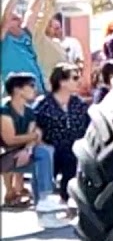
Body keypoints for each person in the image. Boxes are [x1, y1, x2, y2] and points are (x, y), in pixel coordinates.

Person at [1, 72, 69, 228]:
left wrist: (28, 150)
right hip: (5, 155)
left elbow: (34, 138)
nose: (35, 89)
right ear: (18, 90)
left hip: (18, 154)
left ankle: (44, 210)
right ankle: (44, 201)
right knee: (43, 155)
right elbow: (9, 139)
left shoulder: (29, 111)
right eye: (31, 86)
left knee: (43, 154)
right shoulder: (4, 111)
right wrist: (33, 136)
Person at [33, 63, 90, 205]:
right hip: (51, 147)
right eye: (75, 78)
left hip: (74, 148)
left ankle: (68, 199)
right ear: (62, 81)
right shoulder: (43, 104)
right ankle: (44, 200)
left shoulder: (79, 104)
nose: (79, 81)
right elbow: (34, 126)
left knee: (73, 157)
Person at [2, 0, 49, 95]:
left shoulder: (25, 35)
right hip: (16, 97)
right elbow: (5, 16)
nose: (19, 19)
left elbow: (33, 11)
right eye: (14, 19)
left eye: (19, 17)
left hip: (38, 93)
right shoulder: (3, 40)